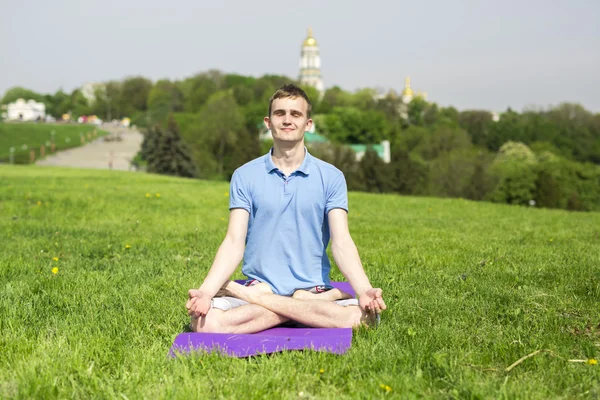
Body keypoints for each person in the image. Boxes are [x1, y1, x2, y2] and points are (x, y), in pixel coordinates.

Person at [186, 84, 386, 333]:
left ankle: (273, 302)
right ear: (268, 122)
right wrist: (206, 291)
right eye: (280, 114)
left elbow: (342, 241)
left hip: (308, 289)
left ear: (308, 123)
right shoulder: (244, 175)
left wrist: (364, 289)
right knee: (204, 323)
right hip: (264, 284)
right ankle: (302, 310)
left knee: (366, 319)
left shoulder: (331, 177)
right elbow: (234, 240)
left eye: (296, 114)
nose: (287, 120)